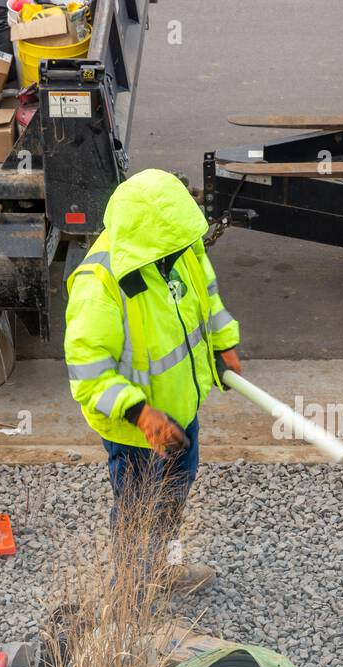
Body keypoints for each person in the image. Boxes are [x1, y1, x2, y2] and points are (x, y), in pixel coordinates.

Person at [64, 169, 241, 593]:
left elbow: (208, 297)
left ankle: (167, 569)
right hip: (136, 432)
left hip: (181, 410)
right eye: (174, 246)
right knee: (134, 510)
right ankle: (129, 593)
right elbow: (88, 373)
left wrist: (223, 343)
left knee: (174, 495)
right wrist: (140, 414)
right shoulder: (100, 284)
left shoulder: (181, 250)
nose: (184, 252)